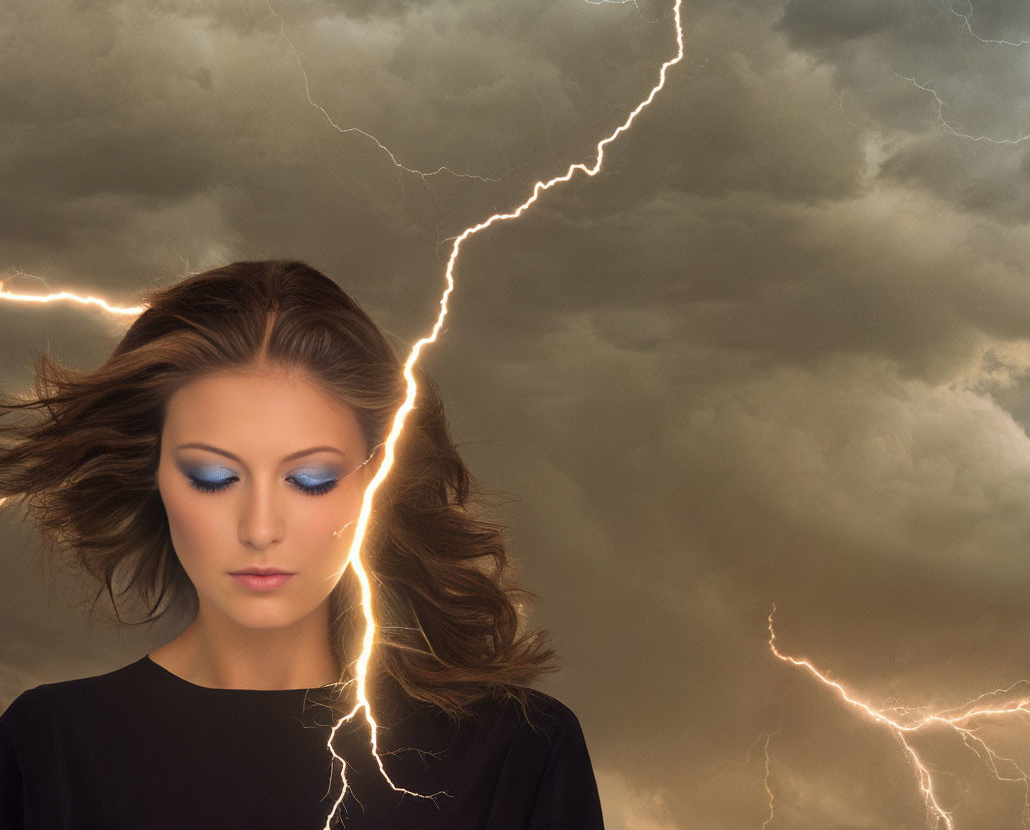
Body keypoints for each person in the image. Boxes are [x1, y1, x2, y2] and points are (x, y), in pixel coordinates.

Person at [0, 260, 605, 829]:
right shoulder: (49, 748)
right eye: (213, 478)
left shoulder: (515, 754)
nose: (260, 529)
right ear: (151, 476)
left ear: (376, 483)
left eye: (310, 480)